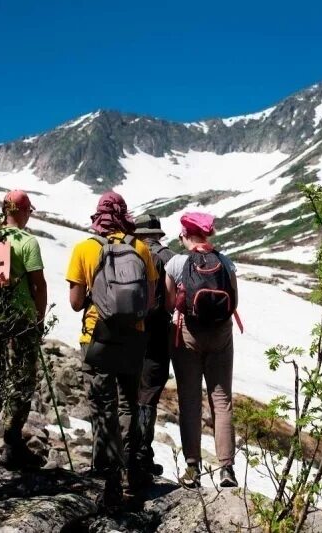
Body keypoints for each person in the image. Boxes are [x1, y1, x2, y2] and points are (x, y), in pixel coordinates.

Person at [66, 192, 158, 507]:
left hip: (97, 337)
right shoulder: (141, 248)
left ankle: (109, 479)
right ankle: (133, 475)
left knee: (103, 408)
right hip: (133, 338)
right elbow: (149, 301)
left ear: (99, 217)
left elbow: (76, 303)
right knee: (128, 407)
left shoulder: (85, 248)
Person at [0, 189, 48, 470]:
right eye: (29, 211)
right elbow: (38, 284)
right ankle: (12, 444)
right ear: (23, 211)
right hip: (21, 320)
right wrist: (39, 320)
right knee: (20, 380)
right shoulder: (27, 242)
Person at [165, 212, 239, 488]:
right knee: (222, 401)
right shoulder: (224, 261)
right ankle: (227, 469)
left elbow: (169, 303)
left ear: (185, 234)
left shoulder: (176, 263)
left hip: (188, 336)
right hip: (221, 336)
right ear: (207, 235)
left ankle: (192, 468)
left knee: (190, 399)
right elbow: (234, 301)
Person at [133, 214, 175, 479]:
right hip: (159, 330)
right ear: (158, 234)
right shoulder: (171, 258)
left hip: (128, 329)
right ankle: (142, 453)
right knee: (148, 394)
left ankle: (118, 451)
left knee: (126, 392)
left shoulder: (127, 252)